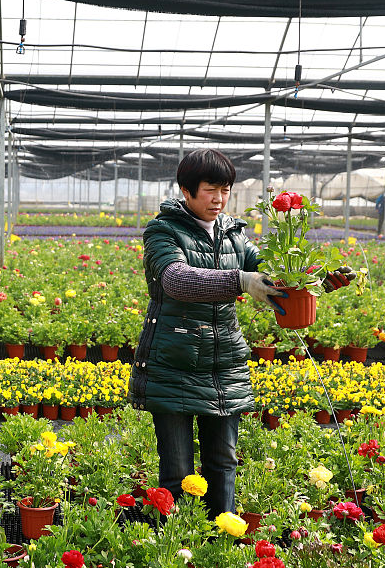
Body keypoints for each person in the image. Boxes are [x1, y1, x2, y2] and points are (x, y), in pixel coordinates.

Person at [128, 149, 352, 519]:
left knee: (223, 463)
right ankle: (177, 551)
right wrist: (240, 280)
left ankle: (221, 545)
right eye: (209, 189)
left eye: (225, 189)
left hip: (225, 364)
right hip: (174, 363)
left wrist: (317, 281)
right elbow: (176, 280)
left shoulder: (233, 235)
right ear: (186, 190)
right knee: (178, 472)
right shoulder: (163, 231)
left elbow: (275, 277)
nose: (218, 199)